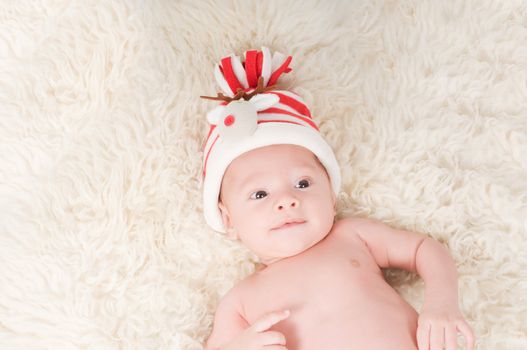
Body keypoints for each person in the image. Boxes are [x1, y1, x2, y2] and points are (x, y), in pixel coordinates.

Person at [200, 47, 474, 350]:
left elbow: (425, 249)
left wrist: (442, 302)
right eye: (260, 194)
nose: (287, 200)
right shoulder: (239, 301)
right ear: (228, 220)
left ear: (330, 195)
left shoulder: (352, 237)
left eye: (303, 183)